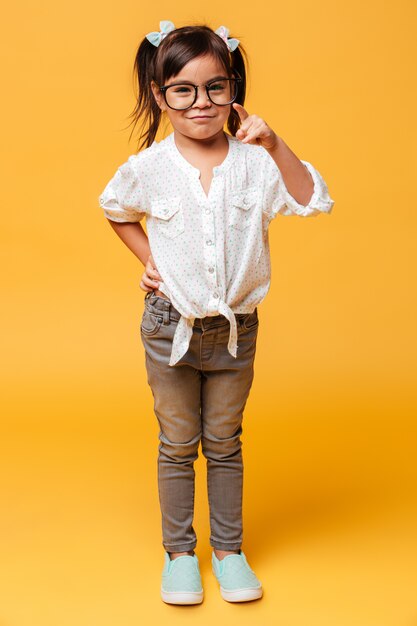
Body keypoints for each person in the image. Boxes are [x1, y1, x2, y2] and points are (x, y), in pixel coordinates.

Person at [98, 20, 335, 605]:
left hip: (235, 334)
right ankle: (179, 554)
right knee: (178, 442)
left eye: (216, 88)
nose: (201, 103)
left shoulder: (256, 163)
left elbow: (312, 200)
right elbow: (114, 207)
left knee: (224, 441)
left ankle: (228, 551)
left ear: (234, 92)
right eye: (183, 89)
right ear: (161, 95)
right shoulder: (150, 167)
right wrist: (150, 258)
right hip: (167, 328)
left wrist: (276, 144)